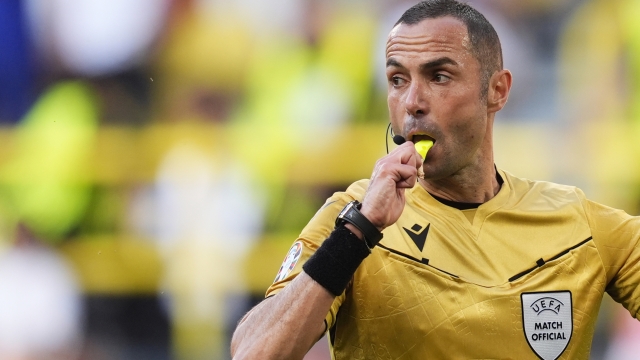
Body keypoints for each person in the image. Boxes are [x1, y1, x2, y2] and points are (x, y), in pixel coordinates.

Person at [230, 0, 640, 359]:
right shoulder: (352, 217)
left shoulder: (581, 224)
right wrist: (358, 232)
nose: (411, 102)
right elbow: (253, 354)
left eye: (438, 77)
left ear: (497, 90)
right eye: (397, 80)